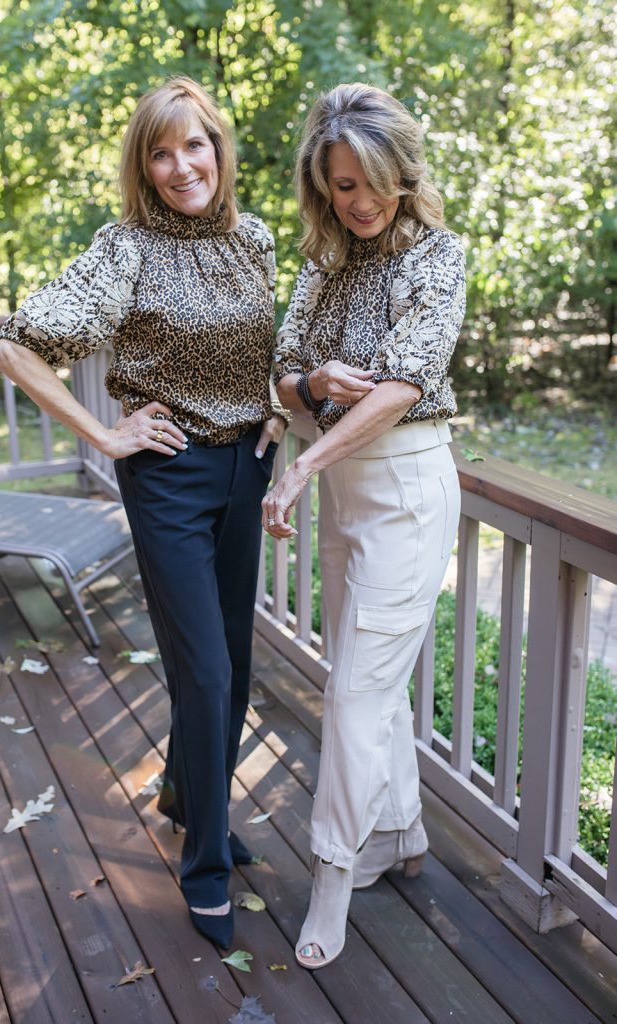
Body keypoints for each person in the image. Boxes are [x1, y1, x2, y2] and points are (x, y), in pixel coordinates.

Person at [0, 75, 288, 950]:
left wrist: (272, 407)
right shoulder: (124, 249)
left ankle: (183, 795)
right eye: (160, 152)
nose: (179, 165)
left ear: (218, 149)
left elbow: (263, 352)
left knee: (230, 661)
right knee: (201, 673)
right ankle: (202, 863)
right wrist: (102, 435)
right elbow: (15, 347)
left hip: (248, 467)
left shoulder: (255, 240)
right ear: (143, 166)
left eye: (193, 144)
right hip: (168, 475)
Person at [263, 82, 465, 969]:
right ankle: (403, 834)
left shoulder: (439, 256)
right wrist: (314, 386)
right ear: (322, 186)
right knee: (361, 678)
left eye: (372, 181)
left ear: (402, 170)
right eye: (341, 185)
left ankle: (335, 873)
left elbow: (404, 384)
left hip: (406, 492)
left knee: (350, 698)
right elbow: (283, 372)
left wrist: (306, 455)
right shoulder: (323, 262)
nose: (360, 201)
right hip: (344, 496)